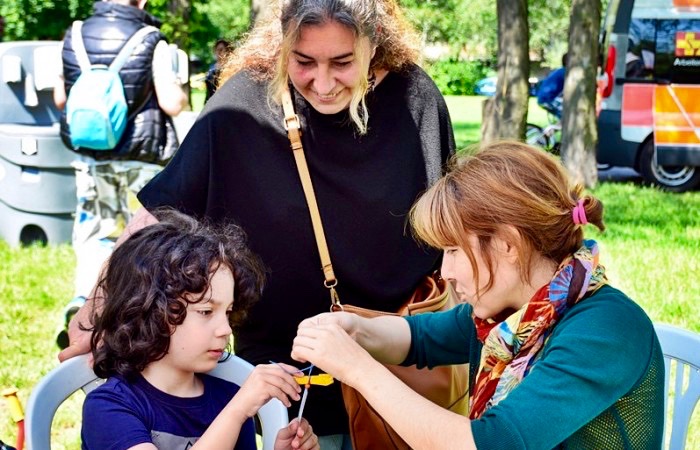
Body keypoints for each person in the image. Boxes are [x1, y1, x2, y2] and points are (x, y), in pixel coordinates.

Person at [59, 0, 455, 447]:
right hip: (288, 374)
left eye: (343, 63)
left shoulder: (414, 98)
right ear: (282, 42)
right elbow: (162, 210)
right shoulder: (243, 103)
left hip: (401, 365)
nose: (323, 83)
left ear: (374, 41)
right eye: (303, 62)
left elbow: (449, 222)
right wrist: (95, 311)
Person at [291, 141, 665, 449]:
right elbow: (419, 339)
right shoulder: (511, 316)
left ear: (507, 244)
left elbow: (490, 443)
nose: (446, 271)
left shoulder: (606, 329)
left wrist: (357, 369)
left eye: (454, 250)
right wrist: (354, 329)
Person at [82, 208, 319, 450]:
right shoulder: (110, 406)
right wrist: (237, 411)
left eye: (228, 312)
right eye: (206, 311)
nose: (225, 329)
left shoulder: (227, 397)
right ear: (148, 311)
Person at [53, 0, 188, 349]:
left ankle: (83, 300)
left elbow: (61, 99)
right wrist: (183, 89)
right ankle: (133, 314)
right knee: (142, 238)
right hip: (141, 158)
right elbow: (171, 102)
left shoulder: (74, 35)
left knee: (95, 233)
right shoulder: (150, 38)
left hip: (92, 157)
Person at [536, 53, 567, 118]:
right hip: (548, 99)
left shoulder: (560, 71)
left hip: (544, 98)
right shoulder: (565, 72)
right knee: (567, 113)